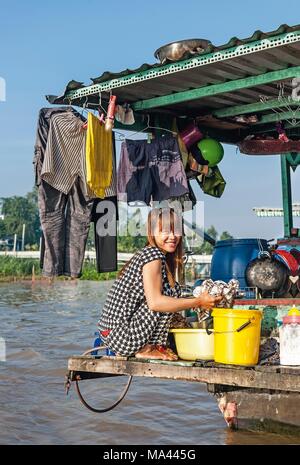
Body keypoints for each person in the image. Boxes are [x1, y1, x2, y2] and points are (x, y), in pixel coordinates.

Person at [98, 207, 221, 360]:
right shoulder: (153, 255)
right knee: (164, 299)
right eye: (165, 231)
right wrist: (198, 301)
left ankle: (152, 346)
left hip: (111, 334)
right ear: (152, 233)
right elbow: (156, 303)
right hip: (121, 336)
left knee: (173, 298)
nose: (172, 236)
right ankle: (145, 348)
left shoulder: (160, 257)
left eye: (176, 231)